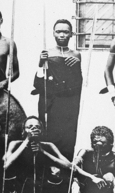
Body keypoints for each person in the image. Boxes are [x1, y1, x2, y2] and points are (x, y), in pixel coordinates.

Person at [32, 19, 82, 161]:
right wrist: (41, 63)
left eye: (65, 32)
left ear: (71, 34)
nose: (62, 35)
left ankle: (65, 171)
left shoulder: (76, 55)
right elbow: (38, 84)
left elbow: (78, 84)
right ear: (53, 33)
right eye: (59, 31)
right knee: (48, 134)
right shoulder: (46, 53)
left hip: (68, 104)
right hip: (49, 102)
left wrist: (76, 67)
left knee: (67, 137)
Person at [3, 116, 70, 193]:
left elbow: (69, 166)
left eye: (37, 127)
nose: (34, 129)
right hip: (21, 190)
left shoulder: (49, 145)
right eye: (30, 127)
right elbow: (6, 165)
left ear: (41, 131)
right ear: (23, 131)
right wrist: (27, 140)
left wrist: (43, 151)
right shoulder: (15, 144)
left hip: (44, 190)